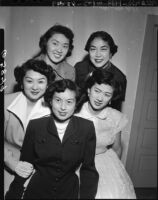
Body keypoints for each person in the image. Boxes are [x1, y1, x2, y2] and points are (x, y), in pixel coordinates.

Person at [5, 79, 99, 199]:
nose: (63, 107)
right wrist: (13, 195)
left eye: (69, 102)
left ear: (76, 104)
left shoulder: (87, 128)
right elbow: (25, 165)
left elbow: (88, 170)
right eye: (58, 100)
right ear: (50, 100)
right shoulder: (35, 125)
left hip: (69, 192)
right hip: (37, 191)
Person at [75, 70, 136, 199]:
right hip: (76, 163)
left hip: (104, 162)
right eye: (97, 91)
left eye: (107, 94)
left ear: (111, 98)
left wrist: (115, 172)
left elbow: (117, 148)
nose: (100, 98)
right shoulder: (75, 112)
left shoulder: (115, 117)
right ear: (88, 90)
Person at [4, 59, 56, 195]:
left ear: (48, 84)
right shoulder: (5, 102)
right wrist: (11, 163)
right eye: (29, 81)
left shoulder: (55, 109)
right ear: (21, 82)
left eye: (41, 81)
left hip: (38, 170)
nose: (35, 87)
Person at [74, 31, 127, 111]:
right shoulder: (80, 68)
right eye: (93, 49)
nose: (98, 54)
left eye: (103, 49)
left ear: (111, 52)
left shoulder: (119, 77)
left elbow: (115, 110)